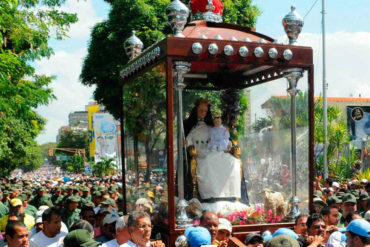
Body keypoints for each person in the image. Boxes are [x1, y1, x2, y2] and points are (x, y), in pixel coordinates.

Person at [184, 99, 245, 209]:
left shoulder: (212, 127)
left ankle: (230, 194)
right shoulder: (192, 127)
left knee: (233, 161)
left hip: (215, 151)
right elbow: (189, 139)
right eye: (201, 110)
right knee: (208, 162)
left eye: (205, 111)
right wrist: (187, 143)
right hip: (202, 153)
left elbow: (222, 137)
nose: (203, 113)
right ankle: (210, 195)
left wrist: (228, 145)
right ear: (196, 110)